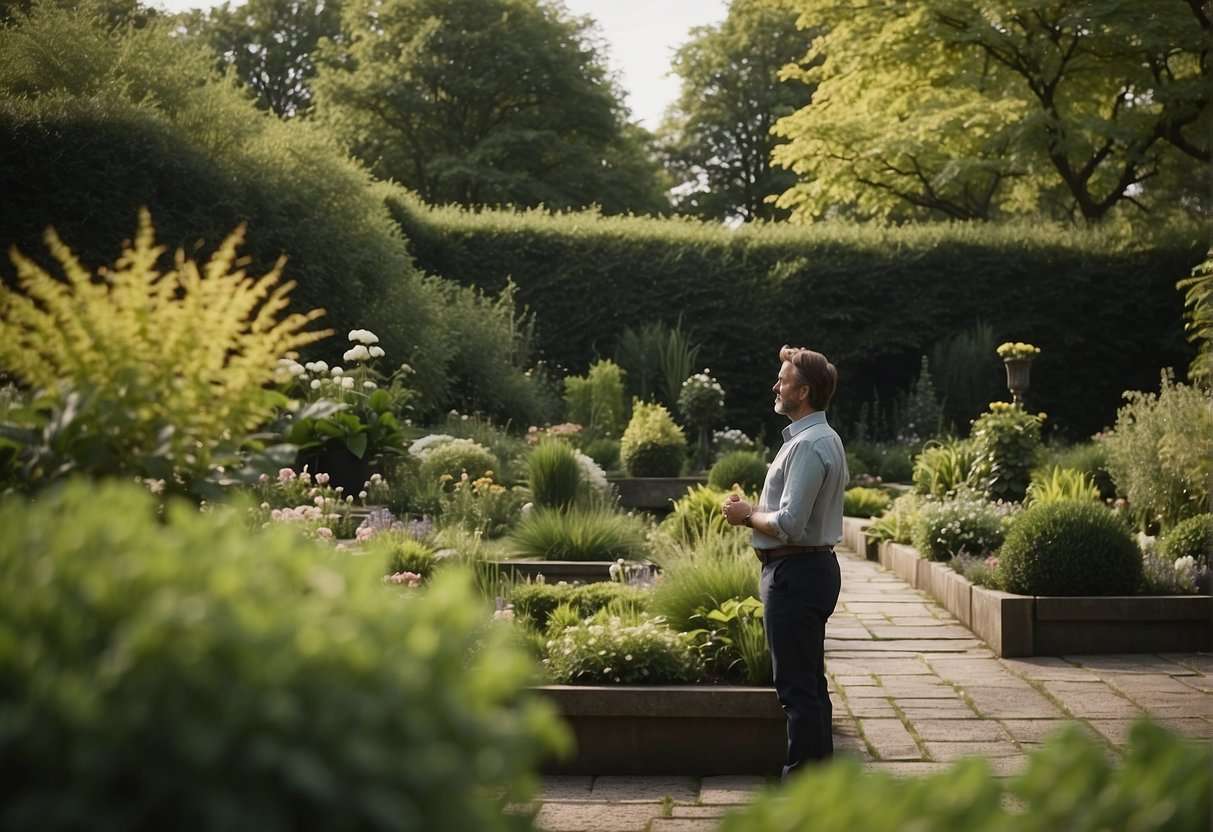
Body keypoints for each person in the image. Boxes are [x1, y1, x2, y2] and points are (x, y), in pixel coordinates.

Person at [721, 345, 847, 780]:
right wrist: (757, 513)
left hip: (795, 574)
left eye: (783, 379)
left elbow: (791, 523)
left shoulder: (810, 445)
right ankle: (821, 788)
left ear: (804, 390)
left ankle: (802, 791)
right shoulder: (816, 439)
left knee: (797, 692)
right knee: (811, 686)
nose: (776, 385)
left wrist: (745, 516)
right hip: (806, 571)